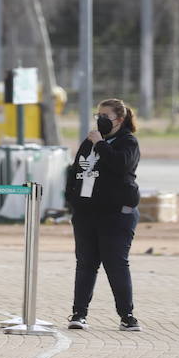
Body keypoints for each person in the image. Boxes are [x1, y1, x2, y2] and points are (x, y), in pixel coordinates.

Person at [65, 97, 142, 332]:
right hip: (87, 213)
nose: (100, 120)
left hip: (116, 214)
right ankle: (79, 313)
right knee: (85, 264)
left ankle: (127, 315)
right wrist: (73, 201)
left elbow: (120, 165)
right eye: (98, 116)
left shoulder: (127, 142)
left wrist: (101, 144)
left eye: (105, 116)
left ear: (119, 119)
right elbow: (75, 170)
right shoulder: (89, 142)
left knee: (116, 264)